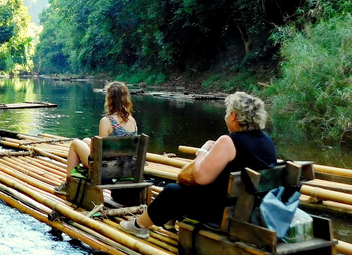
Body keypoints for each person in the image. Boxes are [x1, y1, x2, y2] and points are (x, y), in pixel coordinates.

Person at [119, 91, 277, 239]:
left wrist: (202, 151)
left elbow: (200, 177)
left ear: (234, 116)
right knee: (185, 189)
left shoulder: (229, 141)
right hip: (252, 209)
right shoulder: (266, 140)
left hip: (222, 214)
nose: (226, 116)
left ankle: (138, 225)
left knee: (172, 191)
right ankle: (168, 220)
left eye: (228, 112)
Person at [54, 81, 137, 193]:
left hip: (107, 170)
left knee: (75, 143)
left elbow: (101, 154)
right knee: (86, 140)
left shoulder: (107, 121)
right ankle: (83, 177)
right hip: (126, 167)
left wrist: (93, 147)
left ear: (109, 100)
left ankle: (68, 186)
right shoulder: (133, 121)